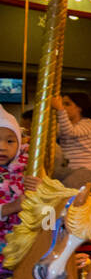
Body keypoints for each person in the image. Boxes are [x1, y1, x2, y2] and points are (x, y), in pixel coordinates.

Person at [53, 91, 91, 190]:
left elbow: (71, 132)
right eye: (62, 104)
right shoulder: (63, 126)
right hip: (69, 169)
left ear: (80, 107)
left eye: (67, 104)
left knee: (64, 190)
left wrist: (60, 109)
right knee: (48, 183)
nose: (64, 107)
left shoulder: (89, 124)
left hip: (88, 170)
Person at [0, 105, 29, 264]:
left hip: (19, 244)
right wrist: (10, 208)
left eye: (10, 141)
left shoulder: (27, 170)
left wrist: (40, 191)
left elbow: (48, 216)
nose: (2, 147)